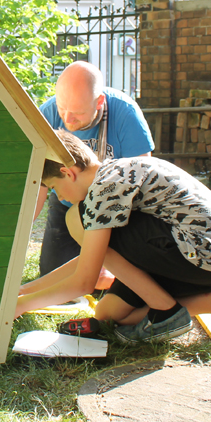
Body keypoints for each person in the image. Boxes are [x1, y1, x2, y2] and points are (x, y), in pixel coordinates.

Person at [17, 131, 211, 344]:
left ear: (67, 173)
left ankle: (165, 311)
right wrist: (23, 291)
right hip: (205, 258)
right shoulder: (113, 174)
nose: (60, 197)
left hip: (199, 255)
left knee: (74, 218)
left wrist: (19, 306)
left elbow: (84, 282)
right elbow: (94, 259)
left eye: (54, 188)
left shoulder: (105, 188)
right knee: (108, 314)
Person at [36, 61, 154, 279]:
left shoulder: (126, 113)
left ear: (99, 102)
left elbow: (142, 181)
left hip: (118, 206)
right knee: (52, 275)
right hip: (67, 199)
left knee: (117, 277)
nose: (67, 119)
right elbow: (36, 185)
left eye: (78, 113)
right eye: (62, 108)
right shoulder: (47, 113)